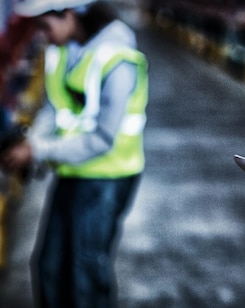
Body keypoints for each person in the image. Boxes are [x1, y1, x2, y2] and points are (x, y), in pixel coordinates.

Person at [1, 0, 149, 307]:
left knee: (85, 273)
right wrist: (31, 142)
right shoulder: (63, 50)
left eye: (45, 25)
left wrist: (38, 150)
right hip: (72, 172)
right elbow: (56, 111)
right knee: (50, 267)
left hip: (107, 177)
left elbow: (103, 138)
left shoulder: (117, 59)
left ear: (68, 14)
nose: (42, 35)